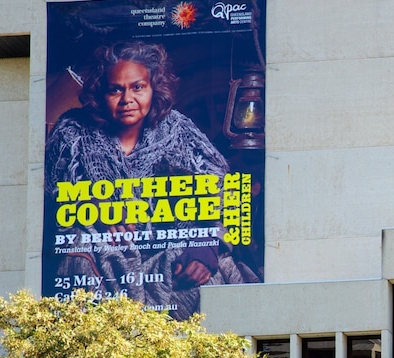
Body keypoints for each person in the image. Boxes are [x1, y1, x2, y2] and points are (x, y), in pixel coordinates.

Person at [45, 41, 258, 319]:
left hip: (172, 264)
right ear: (100, 92)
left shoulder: (179, 131)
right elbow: (51, 208)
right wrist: (95, 213)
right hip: (104, 265)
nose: (127, 99)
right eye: (115, 89)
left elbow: (227, 196)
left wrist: (205, 247)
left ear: (154, 88)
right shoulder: (72, 135)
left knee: (218, 283)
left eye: (138, 87)